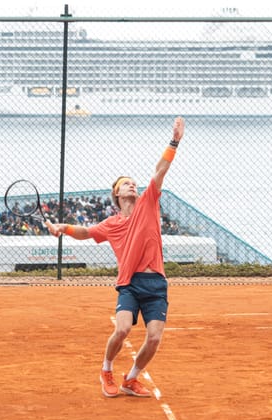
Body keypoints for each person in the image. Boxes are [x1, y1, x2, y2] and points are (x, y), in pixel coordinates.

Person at [46, 116, 185, 398]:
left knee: (155, 338)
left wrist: (175, 141)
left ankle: (131, 378)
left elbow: (160, 171)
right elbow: (86, 232)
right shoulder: (110, 224)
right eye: (126, 184)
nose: (132, 186)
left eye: (133, 183)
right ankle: (106, 370)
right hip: (130, 283)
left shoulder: (149, 202)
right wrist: (64, 228)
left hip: (156, 282)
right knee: (122, 330)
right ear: (116, 193)